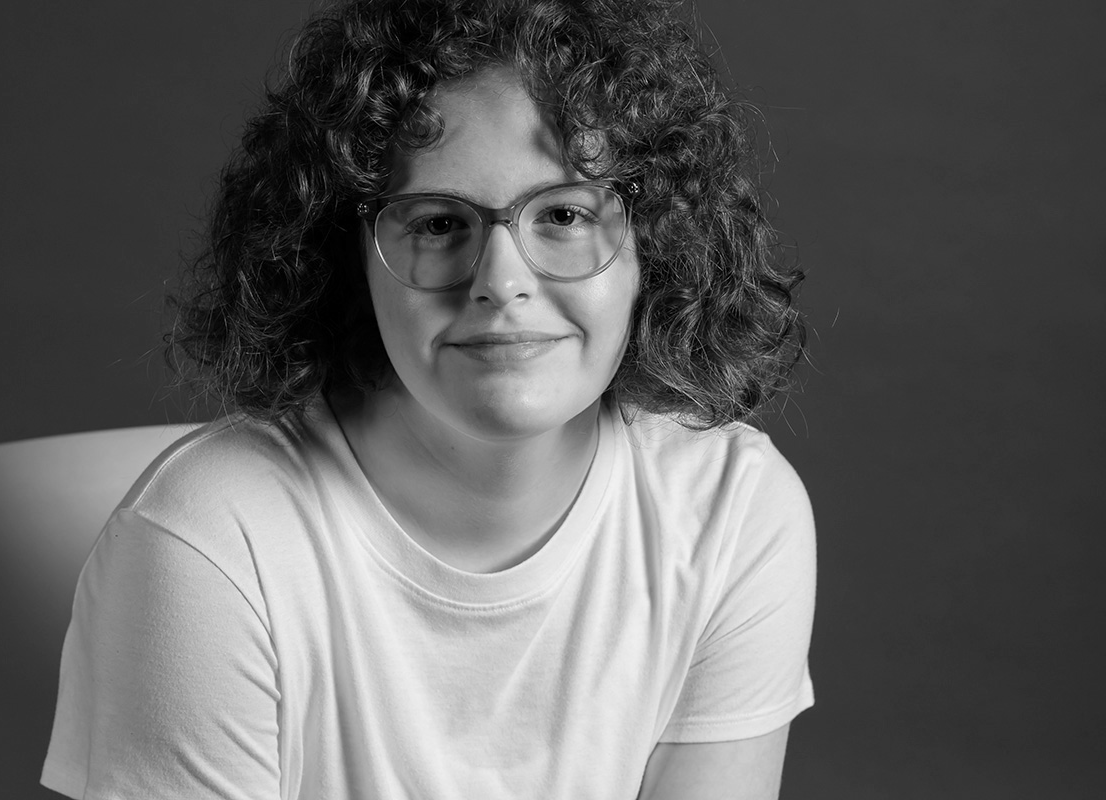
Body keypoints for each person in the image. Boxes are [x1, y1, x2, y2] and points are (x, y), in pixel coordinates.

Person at [40, 0, 814, 797]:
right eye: (441, 222)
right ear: (348, 256)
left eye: (565, 214)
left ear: (656, 243)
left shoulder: (732, 512)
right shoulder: (210, 537)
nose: (502, 281)